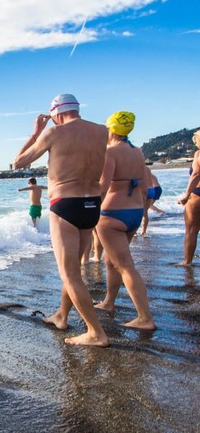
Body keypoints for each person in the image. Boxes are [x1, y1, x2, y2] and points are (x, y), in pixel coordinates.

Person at [13, 93, 109, 347]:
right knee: (74, 269)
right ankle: (61, 315)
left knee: (68, 273)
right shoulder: (102, 131)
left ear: (56, 113)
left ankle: (95, 332)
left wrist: (35, 133)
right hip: (92, 205)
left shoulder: (54, 133)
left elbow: (18, 163)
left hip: (65, 204)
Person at [93, 112, 156, 330]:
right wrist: (143, 210)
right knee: (111, 261)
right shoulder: (138, 152)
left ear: (111, 129)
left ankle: (145, 318)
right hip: (134, 211)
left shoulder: (110, 152)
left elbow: (102, 186)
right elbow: (143, 186)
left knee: (125, 265)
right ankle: (109, 302)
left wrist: (91, 210)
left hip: (112, 213)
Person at [178, 129, 200, 266]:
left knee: (191, 230)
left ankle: (187, 261)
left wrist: (186, 195)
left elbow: (196, 174)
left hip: (197, 195)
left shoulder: (198, 154)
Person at [140, 168, 164, 237]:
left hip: (145, 190)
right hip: (152, 190)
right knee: (145, 213)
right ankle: (143, 232)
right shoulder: (148, 169)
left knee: (139, 213)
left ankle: (134, 232)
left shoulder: (138, 168)